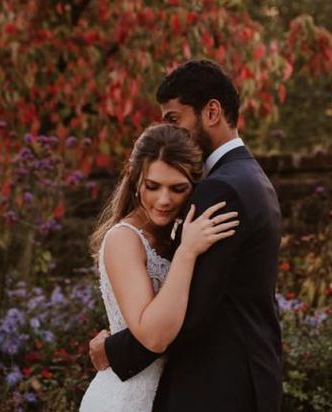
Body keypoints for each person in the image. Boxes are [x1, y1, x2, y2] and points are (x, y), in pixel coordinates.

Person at [89, 59, 283, 411]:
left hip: (214, 388)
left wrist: (113, 350)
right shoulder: (252, 178)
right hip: (245, 379)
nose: (172, 132)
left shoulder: (220, 188)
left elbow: (190, 310)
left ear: (211, 112)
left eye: (175, 119)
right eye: (153, 186)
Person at [79, 122, 240, 412]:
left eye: (177, 189)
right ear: (135, 179)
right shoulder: (123, 239)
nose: (164, 200)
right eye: (153, 186)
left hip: (168, 395)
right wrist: (187, 252)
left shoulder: (174, 234)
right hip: (125, 400)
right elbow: (154, 337)